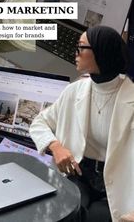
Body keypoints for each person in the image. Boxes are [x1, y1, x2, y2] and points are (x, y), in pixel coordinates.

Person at [30, 26, 134, 222]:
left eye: (81, 47)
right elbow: (39, 122)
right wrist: (56, 146)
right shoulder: (74, 91)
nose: (75, 52)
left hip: (121, 182)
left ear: (101, 52)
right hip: (79, 175)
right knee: (65, 212)